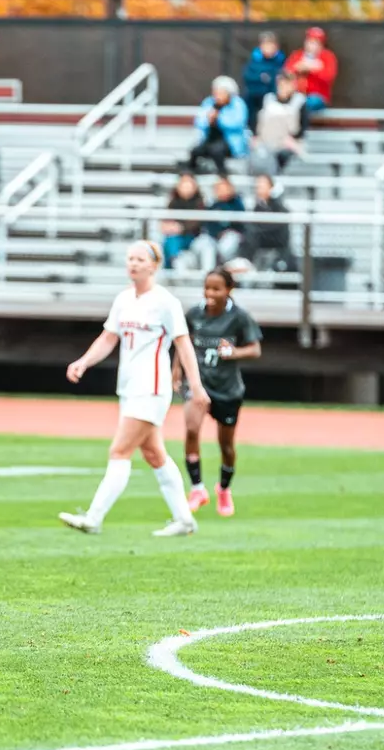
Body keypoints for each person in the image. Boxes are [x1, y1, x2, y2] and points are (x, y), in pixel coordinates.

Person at [59, 240, 209, 538]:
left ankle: (94, 517)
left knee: (119, 450)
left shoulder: (166, 302)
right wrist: (84, 362)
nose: (134, 263)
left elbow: (183, 343)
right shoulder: (124, 299)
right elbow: (108, 338)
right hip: (129, 387)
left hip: (151, 387)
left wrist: (196, 385)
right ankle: (185, 520)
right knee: (154, 454)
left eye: (140, 259)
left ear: (154, 265)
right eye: (130, 258)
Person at [175, 268, 261, 518]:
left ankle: (223, 488)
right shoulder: (194, 314)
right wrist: (176, 371)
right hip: (199, 384)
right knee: (191, 429)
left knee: (226, 446)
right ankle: (197, 488)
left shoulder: (239, 317)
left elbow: (255, 349)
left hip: (227, 389)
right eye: (207, 288)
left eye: (216, 289)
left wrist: (235, 352)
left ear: (228, 290)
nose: (210, 293)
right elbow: (184, 343)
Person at [251, 68, 309, 176]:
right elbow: (258, 121)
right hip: (266, 140)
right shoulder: (268, 99)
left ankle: (275, 178)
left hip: (289, 141)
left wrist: (290, 139)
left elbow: (302, 128)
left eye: (288, 84)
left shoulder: (300, 101)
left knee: (282, 154)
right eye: (281, 84)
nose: (284, 87)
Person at [188, 75, 247, 173]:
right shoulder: (209, 102)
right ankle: (192, 173)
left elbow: (238, 123)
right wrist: (208, 120)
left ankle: (222, 174)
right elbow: (199, 121)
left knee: (216, 150)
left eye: (220, 92)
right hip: (209, 139)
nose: (217, 95)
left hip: (229, 141)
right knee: (195, 151)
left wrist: (219, 119)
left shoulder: (238, 104)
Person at [240, 173, 295, 273]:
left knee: (252, 234)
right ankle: (245, 262)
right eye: (258, 186)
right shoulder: (257, 206)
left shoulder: (278, 206)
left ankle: (246, 260)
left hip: (276, 241)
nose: (259, 189)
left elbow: (278, 228)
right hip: (260, 241)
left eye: (262, 185)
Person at [285, 27, 338, 114]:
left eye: (317, 43)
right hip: (296, 94)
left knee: (310, 103)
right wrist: (298, 68)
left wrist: (314, 69)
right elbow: (286, 72)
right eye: (310, 42)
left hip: (317, 96)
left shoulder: (328, 57)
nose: (313, 45)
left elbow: (329, 76)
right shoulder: (297, 55)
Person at [241, 32, 286, 132]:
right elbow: (248, 77)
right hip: (254, 98)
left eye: (271, 44)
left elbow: (277, 80)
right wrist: (264, 78)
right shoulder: (253, 61)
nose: (268, 47)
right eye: (265, 44)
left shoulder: (281, 61)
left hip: (273, 97)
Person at [161, 172, 207, 268]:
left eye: (189, 184)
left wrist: (181, 228)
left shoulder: (200, 202)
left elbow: (197, 222)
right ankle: (170, 267)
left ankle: (173, 265)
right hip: (176, 236)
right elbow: (167, 219)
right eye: (183, 183)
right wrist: (166, 226)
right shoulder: (173, 201)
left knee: (173, 240)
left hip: (194, 237)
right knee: (169, 240)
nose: (186, 187)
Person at [204, 176, 246, 264]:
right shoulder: (213, 206)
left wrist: (227, 231)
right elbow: (209, 225)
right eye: (219, 188)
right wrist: (217, 233)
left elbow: (240, 224)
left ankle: (223, 267)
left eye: (225, 188)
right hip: (214, 237)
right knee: (206, 245)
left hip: (233, 235)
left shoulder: (237, 204)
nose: (222, 191)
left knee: (228, 242)